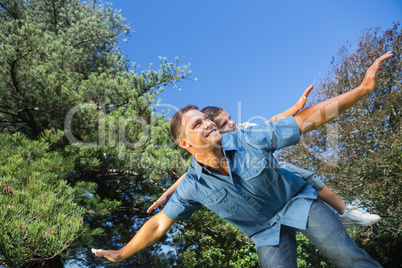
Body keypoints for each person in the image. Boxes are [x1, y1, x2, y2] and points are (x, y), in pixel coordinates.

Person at [92, 51, 392, 267]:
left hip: (298, 203)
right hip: (264, 232)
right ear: (184, 143)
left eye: (205, 120)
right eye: (197, 124)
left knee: (345, 256)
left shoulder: (249, 137)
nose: (208, 124)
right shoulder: (193, 184)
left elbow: (306, 121)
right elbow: (159, 225)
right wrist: (121, 253)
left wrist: (363, 89)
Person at [146, 88, 381, 228]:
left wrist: (296, 107)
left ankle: (345, 211)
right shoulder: (212, 151)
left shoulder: (246, 130)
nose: (231, 124)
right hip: (255, 194)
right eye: (224, 124)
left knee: (307, 176)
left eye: (229, 119)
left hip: (271, 172)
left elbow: (276, 120)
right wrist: (167, 195)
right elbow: (190, 175)